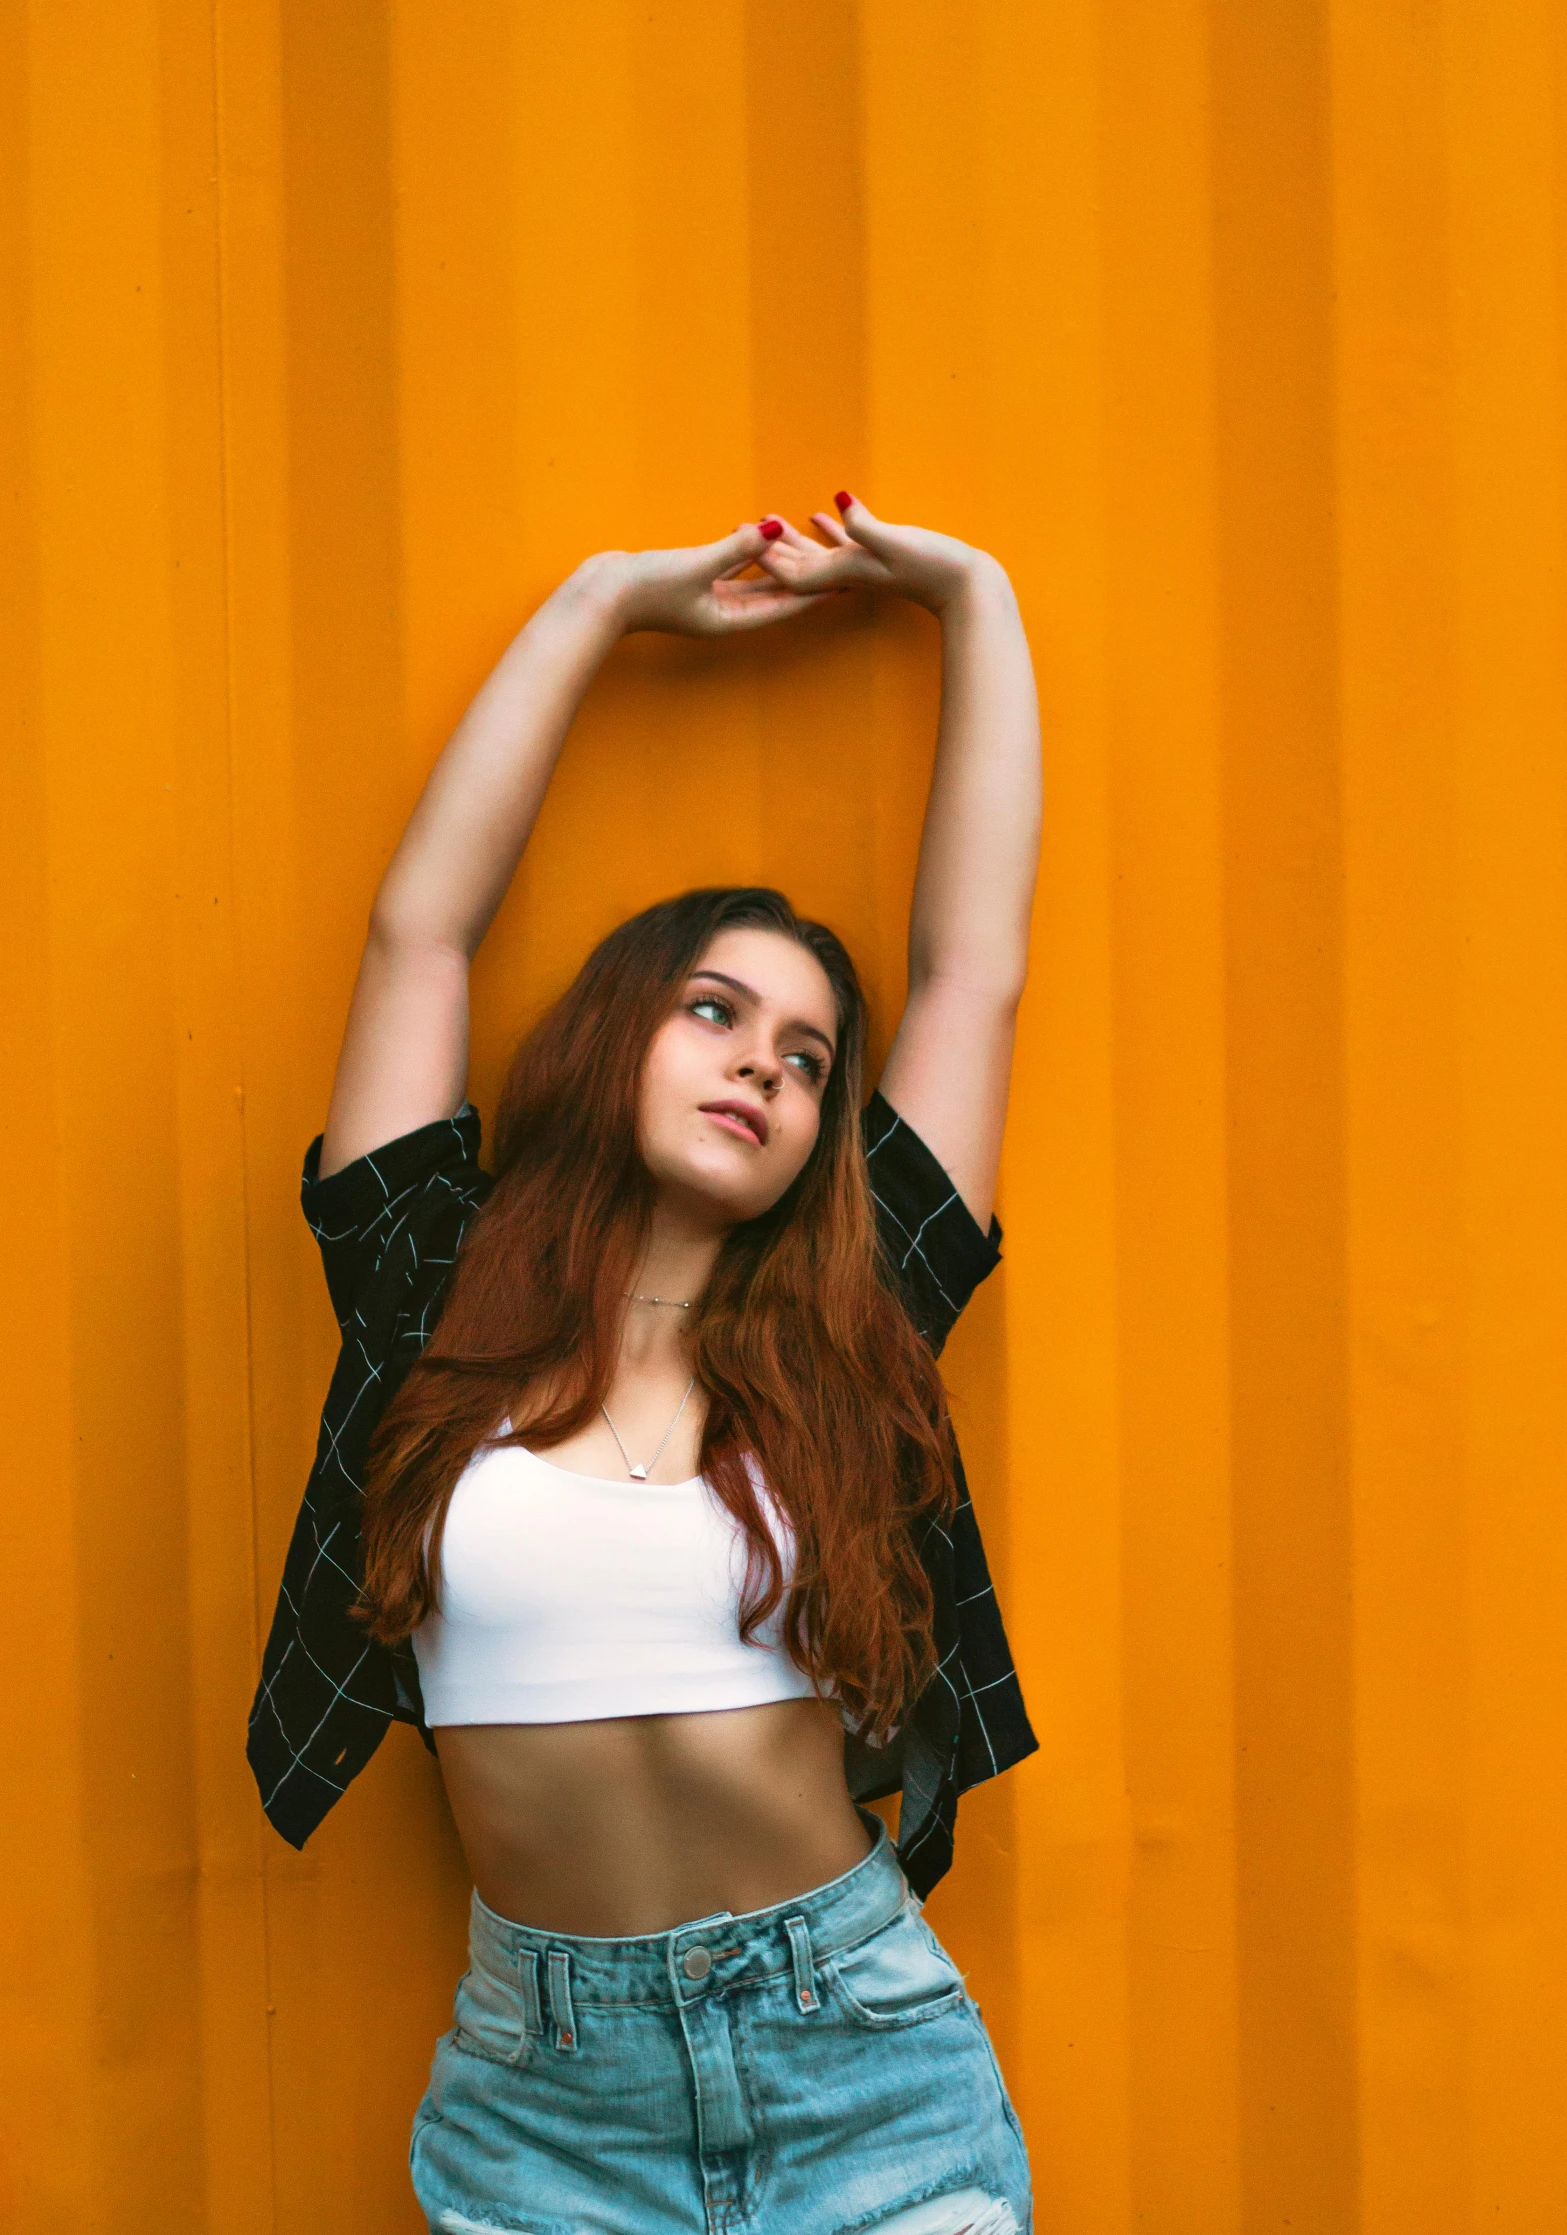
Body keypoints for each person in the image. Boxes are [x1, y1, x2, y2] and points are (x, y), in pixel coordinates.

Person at [248, 494, 1043, 2235]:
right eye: (713, 1009)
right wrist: (603, 605)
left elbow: (974, 976)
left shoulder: (855, 1324)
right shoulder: (425, 1289)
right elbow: (418, 932)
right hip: (547, 2102)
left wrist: (970, 597)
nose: (763, 1063)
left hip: (863, 2058)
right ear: (618, 1028)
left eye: (807, 1055)